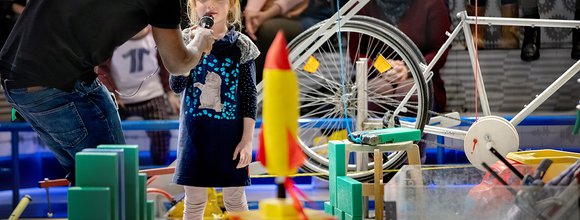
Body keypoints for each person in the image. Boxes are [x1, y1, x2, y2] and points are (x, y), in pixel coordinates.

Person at [0, 0, 215, 184]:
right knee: (113, 182)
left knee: (88, 180)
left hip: (16, 79)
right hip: (56, 84)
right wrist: (200, 40)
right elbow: (178, 63)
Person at [169, 0, 258, 219]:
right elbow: (176, 86)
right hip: (195, 137)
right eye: (202, 0)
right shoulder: (186, 40)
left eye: (218, 0)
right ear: (192, 5)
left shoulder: (241, 45)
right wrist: (195, 47)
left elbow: (249, 96)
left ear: (231, 5)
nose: (210, 5)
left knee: (235, 199)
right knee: (195, 200)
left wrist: (247, 140)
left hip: (230, 137)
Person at [356, 0, 451, 162]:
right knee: (375, 92)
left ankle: (412, 162)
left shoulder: (432, 4)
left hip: (421, 76)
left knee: (411, 94)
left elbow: (439, 50)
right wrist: (384, 67)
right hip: (377, 74)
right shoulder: (362, 5)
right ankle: (374, 163)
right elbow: (357, 52)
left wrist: (409, 67)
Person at [96, 26, 180, 166]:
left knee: (161, 134)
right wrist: (112, 94)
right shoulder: (111, 38)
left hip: (152, 95)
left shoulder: (155, 35)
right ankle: (114, 169)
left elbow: (165, 65)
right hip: (120, 98)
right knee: (108, 133)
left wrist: (169, 93)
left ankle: (158, 169)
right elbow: (102, 71)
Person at [243, 0, 333, 82]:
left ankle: (256, 86)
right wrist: (251, 12)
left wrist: (265, 15)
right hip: (272, 11)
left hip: (312, 14)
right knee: (240, 25)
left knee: (268, 30)